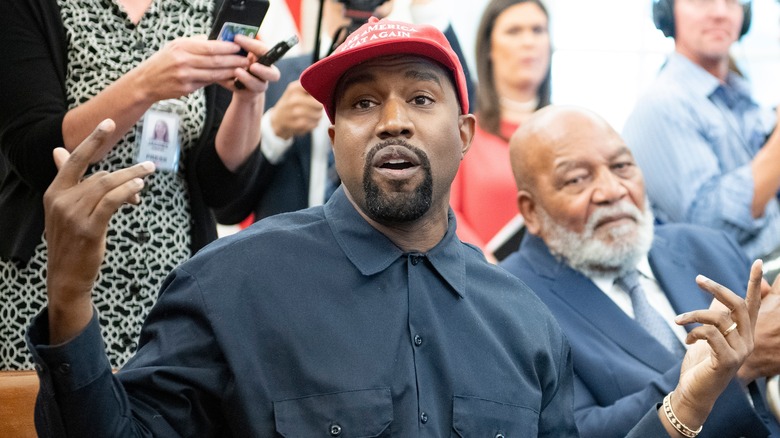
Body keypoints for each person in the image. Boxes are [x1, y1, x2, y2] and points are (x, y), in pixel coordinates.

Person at [26, 18, 759, 437]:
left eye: (419, 96)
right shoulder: (230, 284)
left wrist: (687, 402)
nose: (395, 118)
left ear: (466, 133)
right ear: (334, 131)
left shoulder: (523, 323)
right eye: (363, 103)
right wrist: (69, 303)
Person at [0, 0, 277, 370]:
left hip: (171, 289)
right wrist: (145, 85)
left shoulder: (204, 8)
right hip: (51, 282)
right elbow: (33, 153)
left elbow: (219, 189)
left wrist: (248, 98)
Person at [500, 105, 780, 437]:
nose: (613, 190)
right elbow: (576, 430)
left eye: (622, 166)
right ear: (531, 211)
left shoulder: (706, 247)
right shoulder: (508, 303)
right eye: (577, 179)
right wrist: (732, 368)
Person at [214, 0, 475, 225]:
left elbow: (461, 106)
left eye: (419, 98)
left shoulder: (420, 76)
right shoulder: (274, 78)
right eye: (363, 103)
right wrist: (274, 131)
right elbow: (226, 207)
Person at [622, 0, 780, 275]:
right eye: (701, 0)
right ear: (667, 13)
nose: (720, 12)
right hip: (738, 292)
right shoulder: (662, 104)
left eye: (732, 2)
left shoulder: (739, 94)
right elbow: (709, 229)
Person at [450, 0, 551, 259]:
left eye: (538, 30)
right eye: (514, 31)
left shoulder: (570, 133)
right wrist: (489, 269)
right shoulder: (463, 130)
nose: (528, 41)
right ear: (489, 48)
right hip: (481, 279)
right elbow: (444, 214)